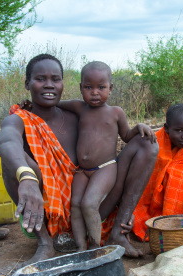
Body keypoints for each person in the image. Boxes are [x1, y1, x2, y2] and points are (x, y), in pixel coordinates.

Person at [0, 54, 158, 266]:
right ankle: (45, 243)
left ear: (63, 83)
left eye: (55, 79)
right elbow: (7, 142)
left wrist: (138, 128)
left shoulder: (79, 114)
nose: (49, 85)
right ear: (27, 83)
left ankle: (118, 232)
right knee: (13, 160)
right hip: (45, 210)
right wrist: (26, 176)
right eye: (40, 79)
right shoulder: (20, 120)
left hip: (91, 205)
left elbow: (121, 134)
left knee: (147, 143)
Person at [57, 61, 155, 252]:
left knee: (88, 204)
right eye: (88, 87)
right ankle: (80, 248)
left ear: (110, 88)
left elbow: (126, 136)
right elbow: (54, 103)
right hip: (82, 171)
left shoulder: (115, 112)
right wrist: (31, 105)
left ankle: (95, 248)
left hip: (106, 167)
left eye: (101, 87)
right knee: (75, 205)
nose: (94, 92)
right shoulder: (79, 107)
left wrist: (139, 127)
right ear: (81, 88)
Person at [132, 103, 183, 242]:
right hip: (150, 206)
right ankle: (158, 225)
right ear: (167, 128)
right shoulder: (153, 144)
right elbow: (141, 180)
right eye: (179, 130)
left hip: (176, 205)